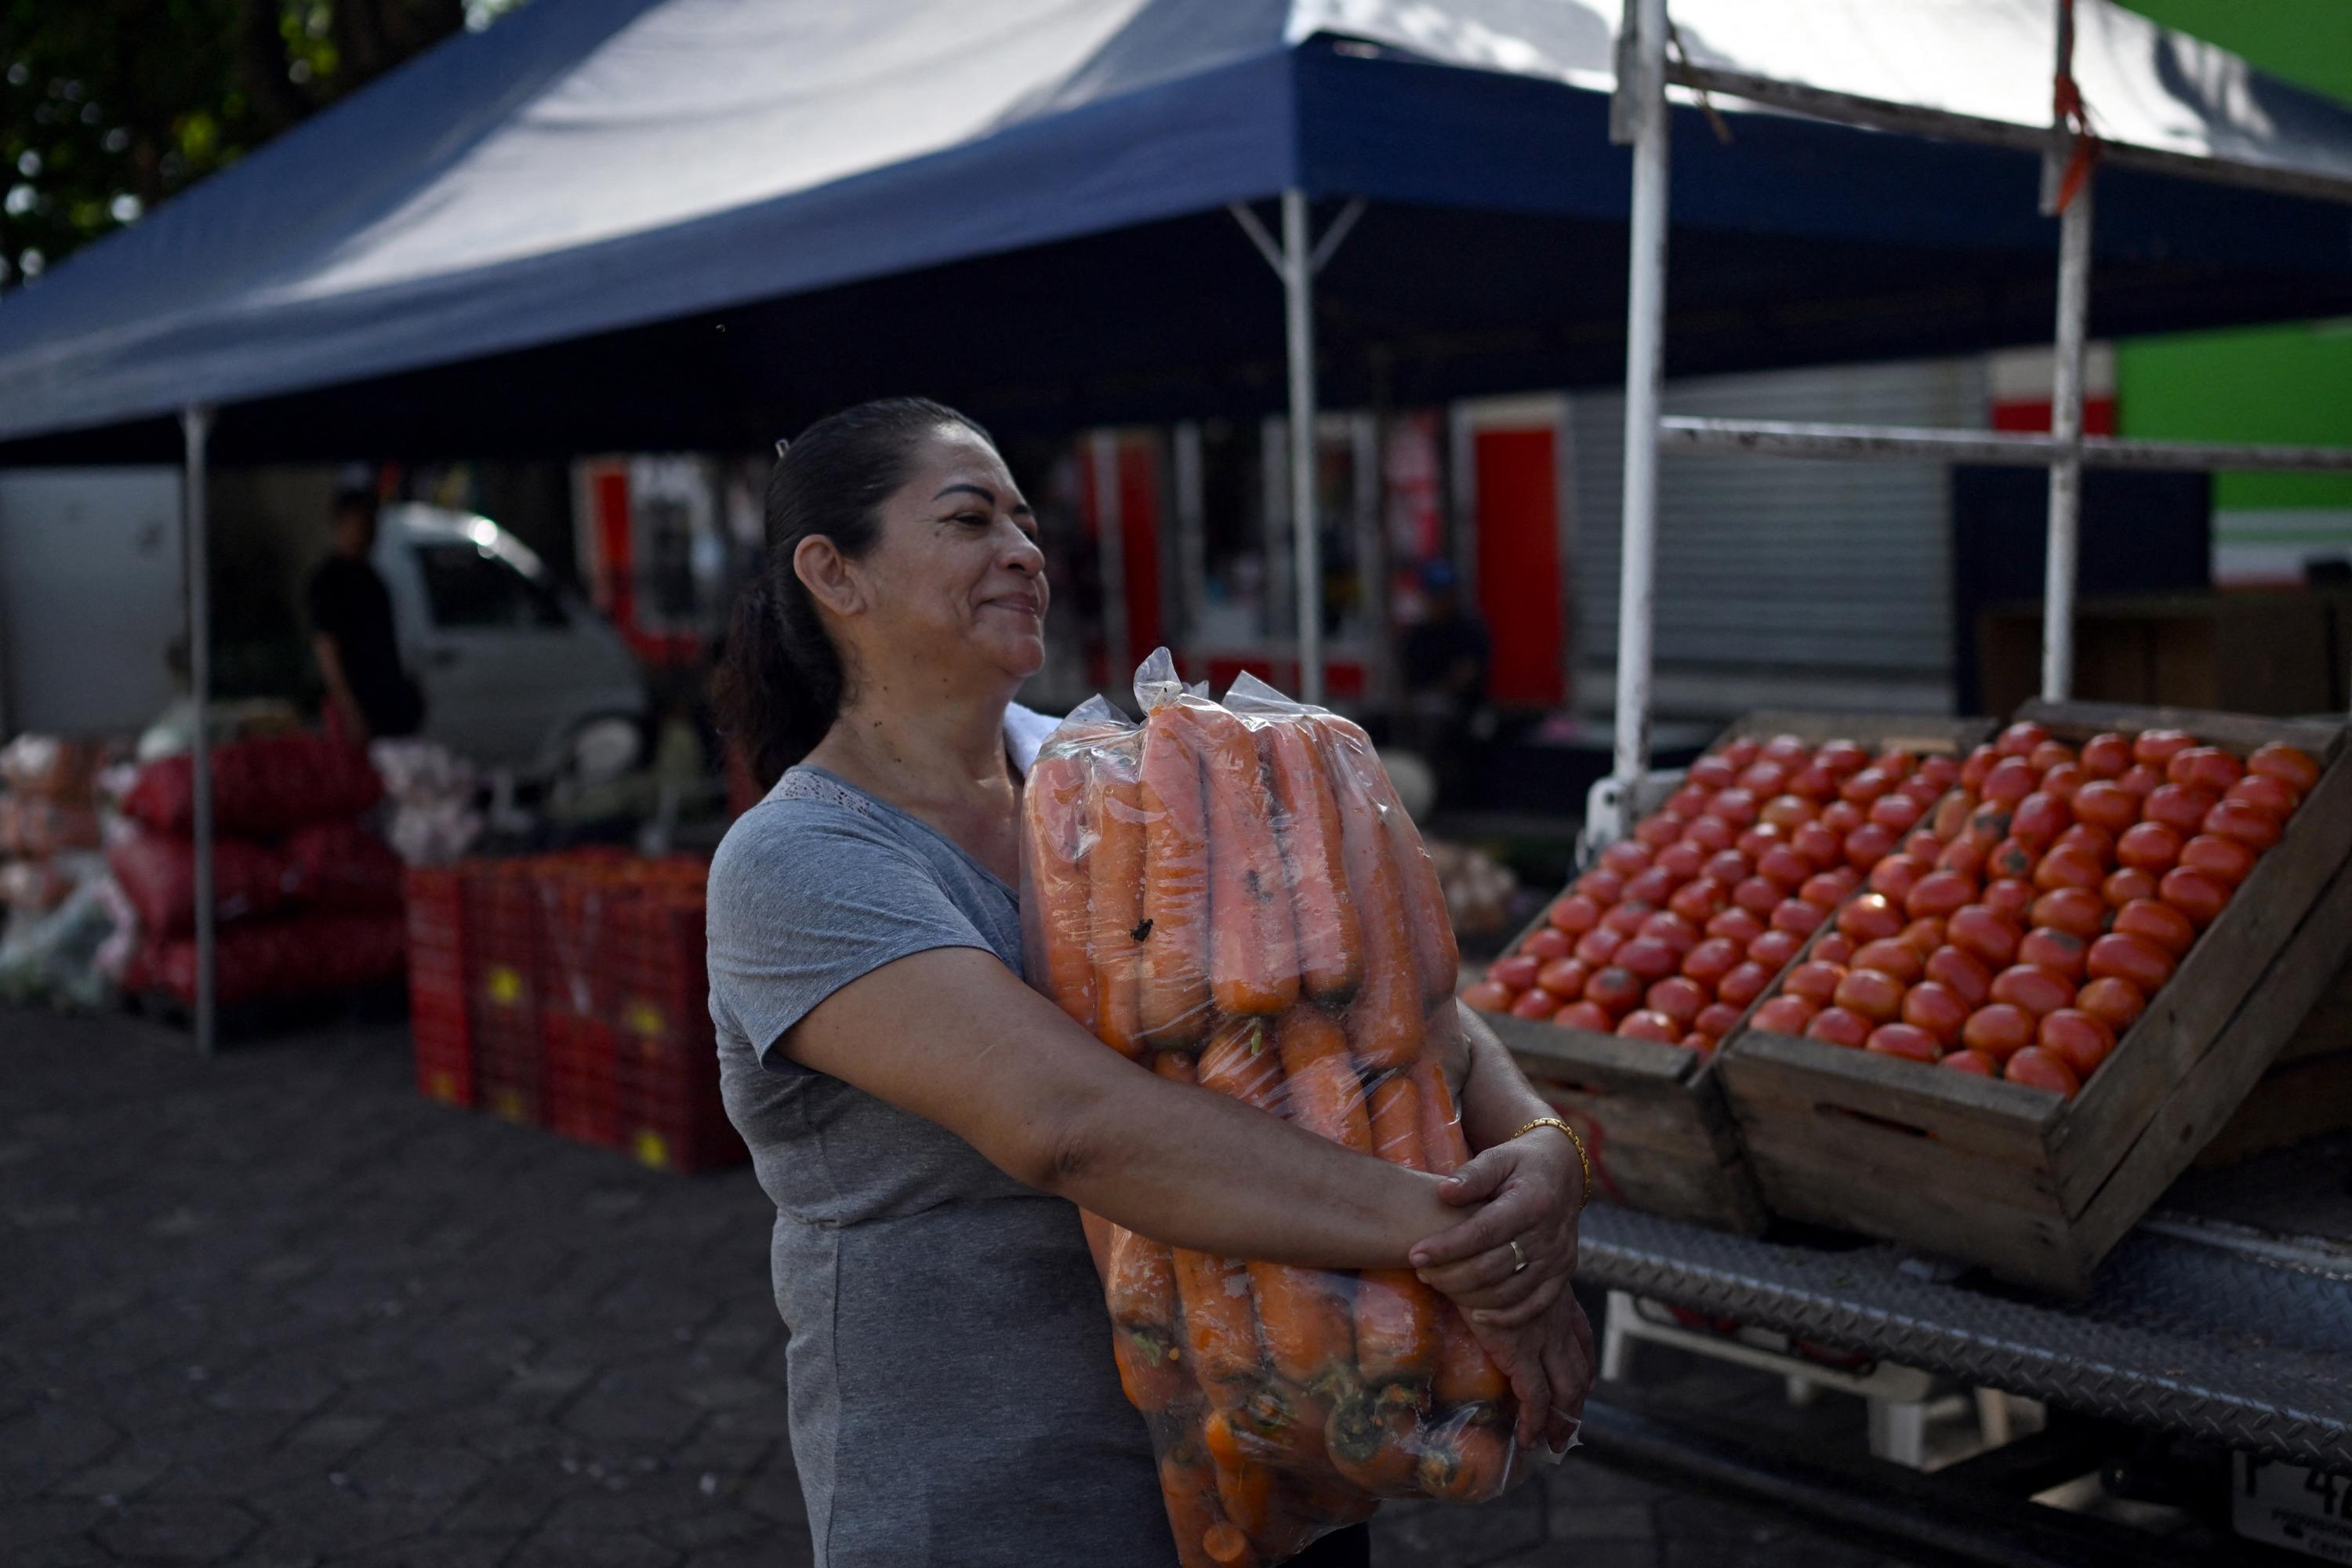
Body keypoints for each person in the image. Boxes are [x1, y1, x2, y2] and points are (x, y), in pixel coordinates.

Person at [707, 398, 1592, 1568]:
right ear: (834, 572)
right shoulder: (802, 863)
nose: (1023, 550)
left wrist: (1535, 1146)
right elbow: (1072, 1127)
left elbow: (1392, 998)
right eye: (969, 520)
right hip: (1012, 1495)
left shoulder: (1122, 778)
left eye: (1025, 521)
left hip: (1277, 1450)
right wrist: (1472, 1248)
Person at [305, 471, 423, 746]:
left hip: (387, 705)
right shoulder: (328, 581)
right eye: (363, 522)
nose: (370, 531)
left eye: (373, 523)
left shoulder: (373, 579)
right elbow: (327, 648)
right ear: (342, 524)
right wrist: (349, 709)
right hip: (358, 708)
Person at [1399, 558, 1490, 808]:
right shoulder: (1417, 634)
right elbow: (1406, 676)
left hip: (1461, 707)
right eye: (1434, 595)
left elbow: (1468, 673)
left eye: (1444, 595)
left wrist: (1440, 692)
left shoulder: (1468, 629)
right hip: (1421, 703)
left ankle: (1445, 797)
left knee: (1437, 730)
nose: (1439, 602)